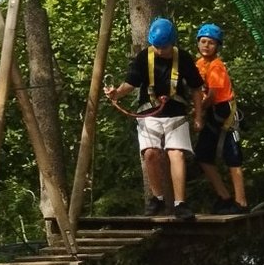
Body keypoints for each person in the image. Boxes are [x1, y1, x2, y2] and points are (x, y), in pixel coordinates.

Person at [105, 16, 207, 219]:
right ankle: (157, 198)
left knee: (176, 154)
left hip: (176, 114)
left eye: (164, 47)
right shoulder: (144, 57)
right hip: (149, 113)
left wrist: (198, 115)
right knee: (150, 153)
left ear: (172, 42)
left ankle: (180, 203)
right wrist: (116, 93)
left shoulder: (183, 58)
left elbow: (196, 88)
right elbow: (130, 83)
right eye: (157, 46)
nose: (160, 51)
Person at [192, 22, 248, 210]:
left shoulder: (217, 66)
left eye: (211, 43)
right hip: (210, 113)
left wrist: (197, 111)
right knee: (202, 155)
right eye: (203, 41)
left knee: (233, 156)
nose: (206, 46)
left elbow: (212, 96)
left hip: (224, 113)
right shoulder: (199, 64)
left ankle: (241, 201)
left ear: (217, 46)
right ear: (198, 43)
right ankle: (224, 197)